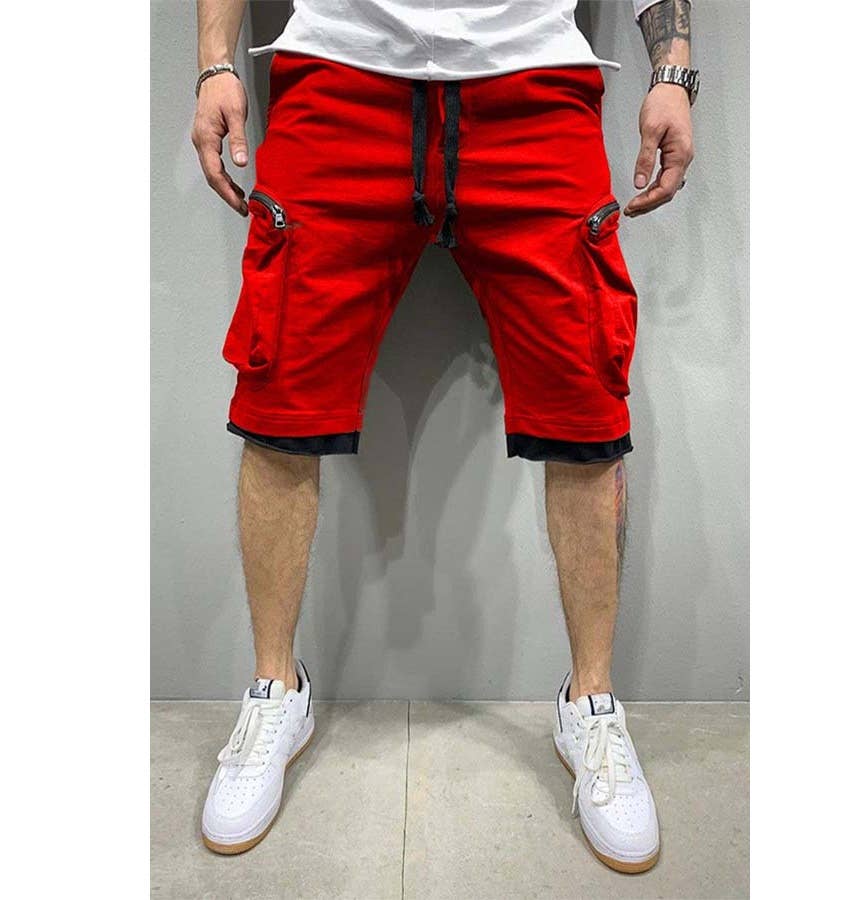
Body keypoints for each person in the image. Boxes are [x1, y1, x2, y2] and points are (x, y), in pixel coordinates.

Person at [192, 0, 696, 873]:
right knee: (280, 401)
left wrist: (673, 70)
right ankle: (276, 690)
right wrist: (214, 61)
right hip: (339, 78)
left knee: (586, 405)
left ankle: (591, 706)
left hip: (534, 85)